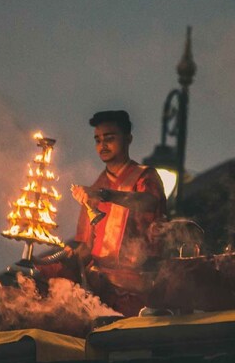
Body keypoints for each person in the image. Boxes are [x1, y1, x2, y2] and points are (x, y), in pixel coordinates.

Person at [41, 110, 167, 317]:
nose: (103, 145)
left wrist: (105, 195)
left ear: (128, 139)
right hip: (101, 293)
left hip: (140, 292)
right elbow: (86, 247)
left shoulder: (144, 177)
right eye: (98, 140)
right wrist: (58, 259)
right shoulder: (95, 188)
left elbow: (148, 203)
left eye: (109, 138)